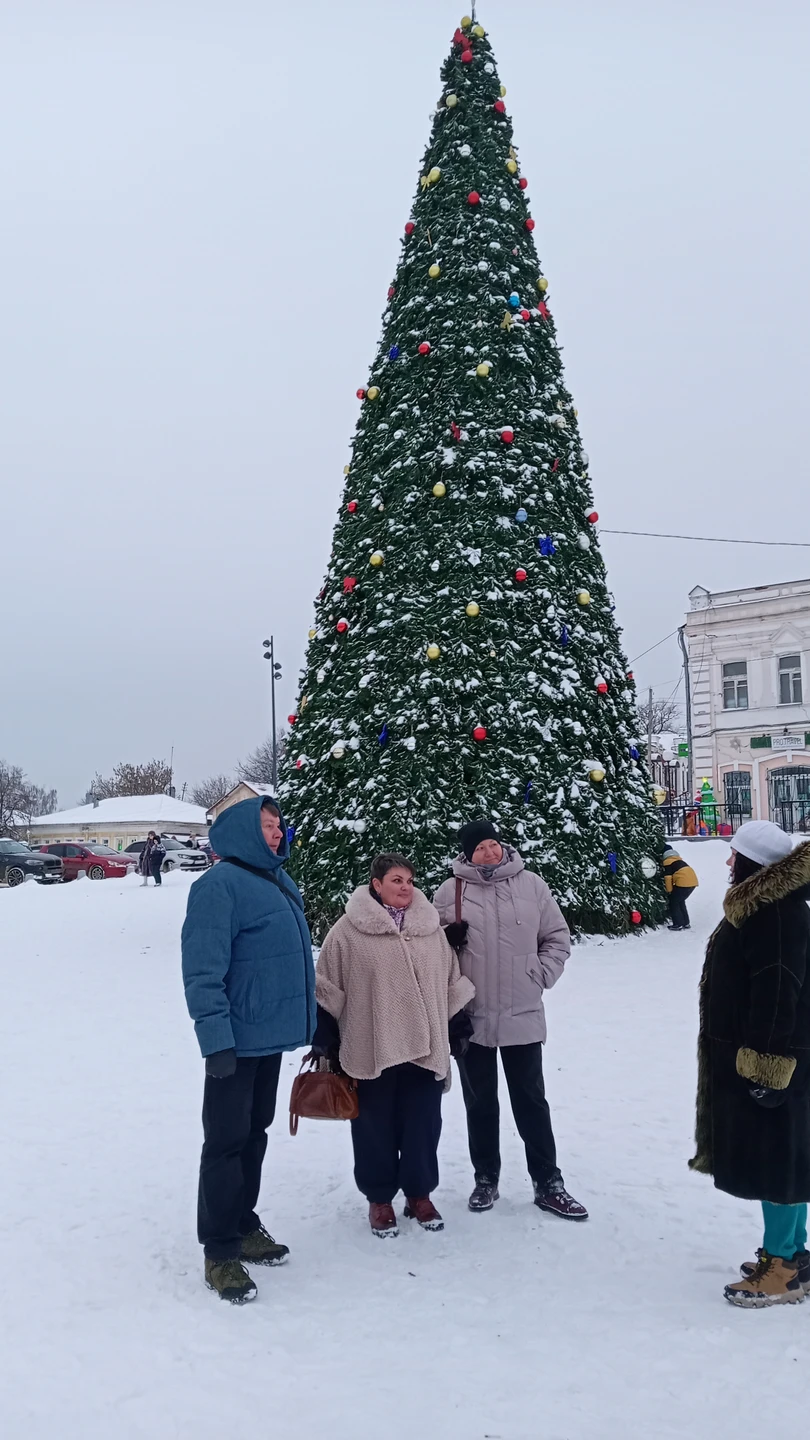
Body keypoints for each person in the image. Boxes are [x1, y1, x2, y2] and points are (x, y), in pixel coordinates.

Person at [181, 797, 315, 1304]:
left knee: (254, 1135)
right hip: (233, 1044)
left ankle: (242, 1222)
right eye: (266, 826)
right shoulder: (217, 887)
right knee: (225, 1143)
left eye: (279, 825)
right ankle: (219, 1250)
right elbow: (202, 972)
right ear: (241, 830)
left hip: (268, 1039)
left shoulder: (278, 880)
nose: (277, 833)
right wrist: (215, 1041)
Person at [313, 853, 475, 1238]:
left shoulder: (430, 930)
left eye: (408, 880)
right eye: (396, 880)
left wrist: (459, 1027)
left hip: (425, 1046)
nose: (404, 887)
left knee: (423, 1124)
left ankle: (419, 1195)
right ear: (376, 884)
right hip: (372, 1045)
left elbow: (449, 982)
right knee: (373, 1126)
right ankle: (380, 1198)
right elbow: (327, 988)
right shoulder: (347, 932)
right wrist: (325, 1039)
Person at [433, 819, 588, 1220]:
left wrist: (540, 973)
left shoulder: (532, 885)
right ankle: (486, 1178)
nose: (490, 852)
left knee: (531, 1100)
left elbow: (557, 937)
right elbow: (428, 948)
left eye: (493, 844)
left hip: (522, 1012)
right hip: (472, 1015)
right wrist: (447, 942)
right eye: (480, 848)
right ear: (467, 854)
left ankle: (548, 1183)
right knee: (479, 1103)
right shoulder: (450, 891)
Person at [689, 819, 810, 1307]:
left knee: (776, 1160)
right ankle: (794, 1254)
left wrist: (765, 1066)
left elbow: (778, 990)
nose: (726, 862)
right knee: (789, 1156)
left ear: (753, 864)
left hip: (773, 1058)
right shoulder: (769, 907)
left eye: (733, 855)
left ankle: (780, 1266)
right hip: (779, 1055)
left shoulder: (773, 914)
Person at [663, 844, 699, 930]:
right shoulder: (679, 860)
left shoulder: (667, 862)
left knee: (673, 902)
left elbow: (668, 878)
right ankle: (686, 923)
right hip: (693, 882)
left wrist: (669, 890)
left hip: (683, 883)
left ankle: (677, 924)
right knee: (680, 901)